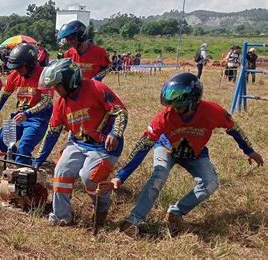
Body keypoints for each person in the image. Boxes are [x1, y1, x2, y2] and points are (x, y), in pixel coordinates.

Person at [109, 72, 264, 235]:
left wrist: (250, 151)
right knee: (158, 176)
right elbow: (142, 146)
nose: (175, 109)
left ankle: (176, 213)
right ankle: (133, 220)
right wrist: (121, 176)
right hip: (166, 148)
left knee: (211, 182)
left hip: (195, 153)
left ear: (193, 101)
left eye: (179, 106)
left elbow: (234, 128)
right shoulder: (164, 117)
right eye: (172, 105)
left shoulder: (212, 111)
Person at [32, 58, 128, 226]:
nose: (55, 90)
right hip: (78, 143)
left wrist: (116, 133)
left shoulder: (96, 88)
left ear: (69, 81)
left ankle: (102, 205)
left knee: (89, 177)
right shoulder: (61, 103)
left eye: (57, 85)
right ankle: (62, 217)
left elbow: (120, 112)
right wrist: (38, 160)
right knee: (61, 172)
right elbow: (52, 133)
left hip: (105, 146)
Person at [0, 44, 53, 165]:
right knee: (1, 140)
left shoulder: (44, 75)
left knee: (24, 146)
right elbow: (2, 95)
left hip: (38, 118)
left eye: (20, 67)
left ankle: (21, 172)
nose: (17, 70)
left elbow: (46, 100)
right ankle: (23, 163)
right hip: (19, 116)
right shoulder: (14, 75)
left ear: (30, 64)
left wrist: (27, 113)